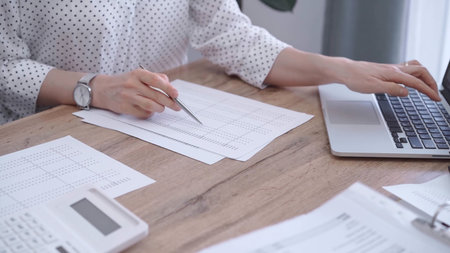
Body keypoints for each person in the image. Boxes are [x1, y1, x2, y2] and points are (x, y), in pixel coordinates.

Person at [0, 0, 439, 125]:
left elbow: (232, 35)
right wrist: (95, 88)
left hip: (158, 132)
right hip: (48, 135)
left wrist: (342, 69)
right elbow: (5, 64)